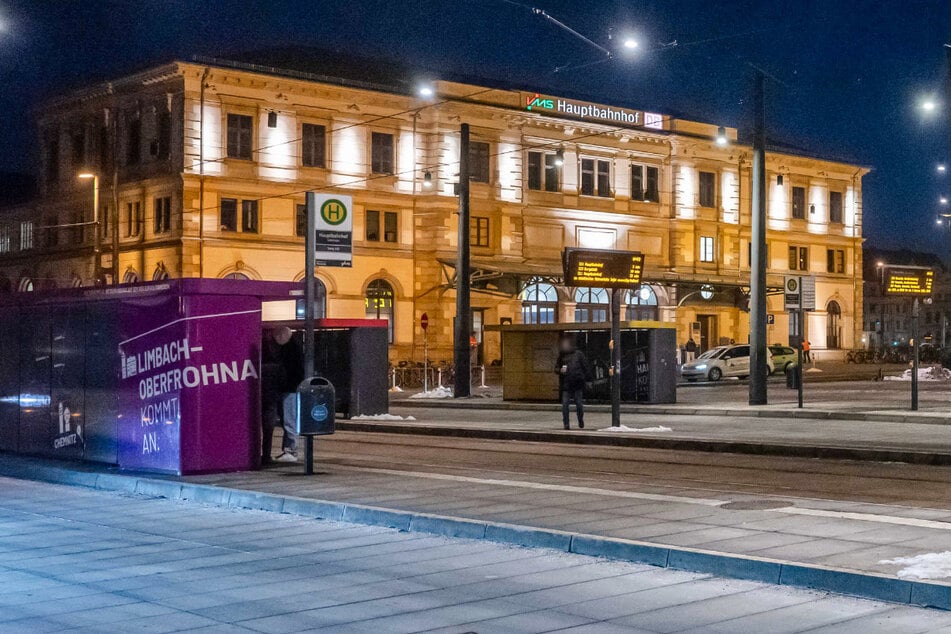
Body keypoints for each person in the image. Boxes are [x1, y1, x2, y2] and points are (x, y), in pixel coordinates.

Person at [261, 326, 301, 464]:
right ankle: (290, 450)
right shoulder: (293, 349)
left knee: (289, 420)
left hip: (288, 389)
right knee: (289, 420)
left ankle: (291, 451)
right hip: (290, 389)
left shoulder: (286, 352)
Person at [555, 335, 591, 430]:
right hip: (566, 384)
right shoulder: (562, 355)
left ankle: (580, 420)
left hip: (577, 383)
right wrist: (560, 370)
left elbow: (585, 367)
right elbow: (556, 368)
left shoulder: (578, 354)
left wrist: (588, 380)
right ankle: (566, 424)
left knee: (579, 404)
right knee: (565, 405)